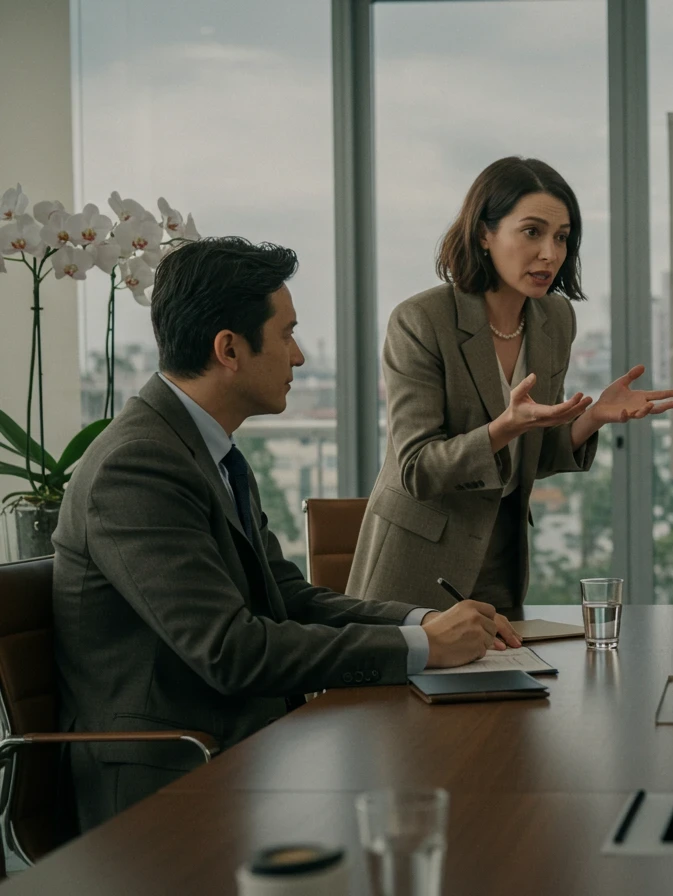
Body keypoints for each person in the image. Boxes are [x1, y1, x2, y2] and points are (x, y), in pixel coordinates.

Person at [52, 237, 517, 831]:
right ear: (229, 349)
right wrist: (424, 651)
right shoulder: (137, 466)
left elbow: (288, 596)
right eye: (287, 334)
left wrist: (419, 624)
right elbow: (231, 650)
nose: (298, 356)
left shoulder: (199, 448)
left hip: (242, 747)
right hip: (170, 782)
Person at [346, 157, 673, 611]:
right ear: (485, 233)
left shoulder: (555, 319)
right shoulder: (422, 320)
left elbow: (532, 457)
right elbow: (417, 469)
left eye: (561, 237)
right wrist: (503, 428)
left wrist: (591, 417)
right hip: (416, 566)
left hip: (501, 559)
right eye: (532, 232)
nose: (550, 253)